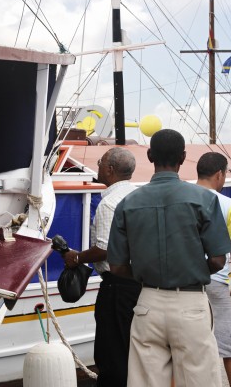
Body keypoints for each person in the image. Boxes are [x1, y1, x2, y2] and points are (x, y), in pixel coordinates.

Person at [107, 129, 230, 387]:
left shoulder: (127, 204)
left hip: (147, 303)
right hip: (190, 302)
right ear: (183, 157)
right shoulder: (204, 200)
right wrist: (191, 267)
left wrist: (144, 271)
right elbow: (219, 260)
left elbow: (117, 267)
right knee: (199, 381)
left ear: (149, 155)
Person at [61, 147, 140, 386]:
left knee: (111, 352)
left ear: (110, 170)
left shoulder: (108, 204)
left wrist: (76, 258)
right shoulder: (138, 197)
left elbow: (106, 249)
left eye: (100, 162)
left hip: (116, 288)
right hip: (139, 285)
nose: (97, 165)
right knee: (131, 350)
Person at [196, 152, 231, 387]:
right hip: (215, 281)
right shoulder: (228, 204)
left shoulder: (182, 197)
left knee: (187, 345)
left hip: (185, 281)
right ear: (220, 174)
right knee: (227, 343)